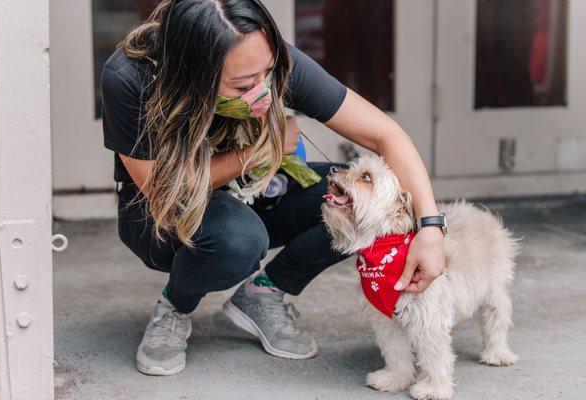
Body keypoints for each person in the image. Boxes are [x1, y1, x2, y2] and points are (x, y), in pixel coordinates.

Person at [101, 0, 445, 376]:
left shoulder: (266, 60)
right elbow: (163, 188)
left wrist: (430, 227)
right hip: (161, 216)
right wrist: (259, 152)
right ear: (193, 71)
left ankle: (263, 293)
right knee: (237, 241)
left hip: (253, 190)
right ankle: (175, 305)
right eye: (243, 84)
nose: (263, 88)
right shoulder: (130, 77)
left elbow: (385, 134)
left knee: (358, 198)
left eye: (267, 72)